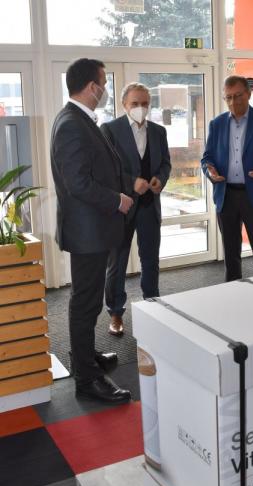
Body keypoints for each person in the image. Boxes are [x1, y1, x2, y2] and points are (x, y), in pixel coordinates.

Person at [50, 58, 133, 403]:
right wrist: (117, 200)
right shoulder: (71, 123)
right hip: (88, 233)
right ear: (91, 87)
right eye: (104, 83)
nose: (105, 90)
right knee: (85, 303)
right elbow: (78, 183)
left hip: (93, 230)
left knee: (87, 300)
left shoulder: (79, 119)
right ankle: (86, 378)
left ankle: (84, 356)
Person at [101, 82, 171, 336]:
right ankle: (116, 313)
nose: (140, 108)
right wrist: (132, 182)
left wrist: (160, 179)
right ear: (124, 105)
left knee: (150, 259)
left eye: (144, 103)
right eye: (135, 103)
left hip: (150, 205)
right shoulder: (109, 130)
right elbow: (105, 169)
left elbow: (165, 164)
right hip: (121, 207)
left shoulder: (159, 132)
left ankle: (152, 304)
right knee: (117, 263)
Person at [201, 75, 253, 281]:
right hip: (226, 195)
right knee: (230, 255)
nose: (233, 101)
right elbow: (207, 157)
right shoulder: (217, 124)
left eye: (238, 95)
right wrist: (209, 171)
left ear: (248, 94)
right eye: (228, 97)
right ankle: (232, 295)